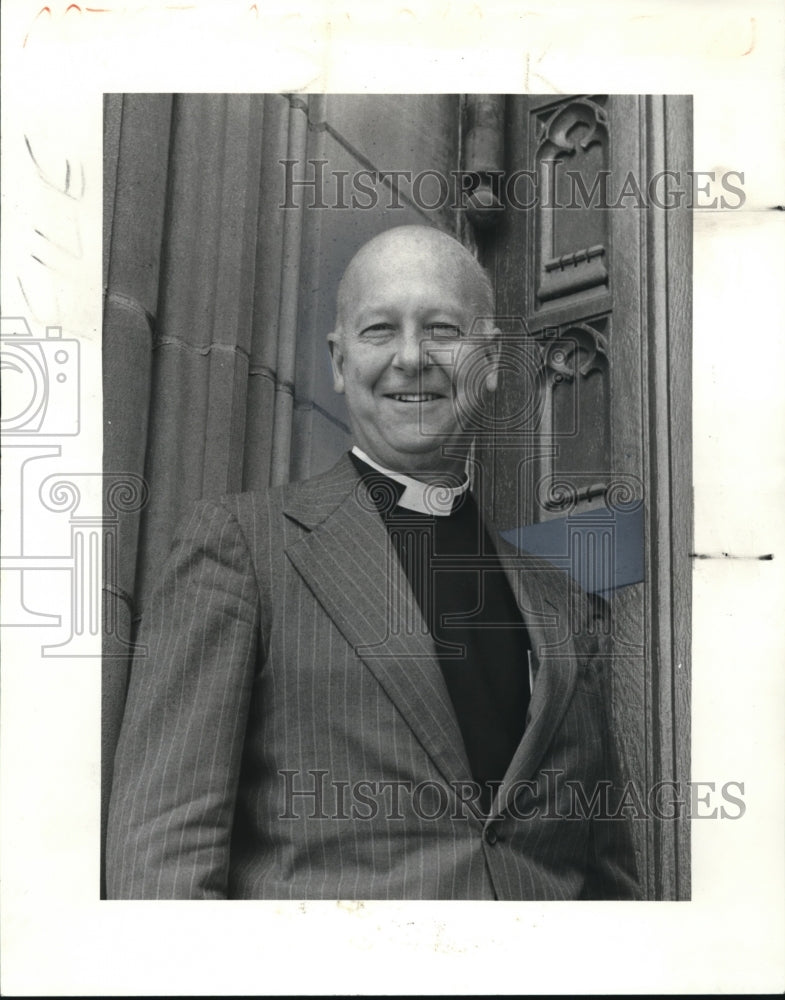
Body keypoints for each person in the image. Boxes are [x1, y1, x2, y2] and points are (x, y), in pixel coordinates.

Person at [106, 225, 640, 900]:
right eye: (379, 330)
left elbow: (610, 885)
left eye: (442, 329)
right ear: (338, 361)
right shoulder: (241, 550)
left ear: (492, 358)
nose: (411, 357)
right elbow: (163, 858)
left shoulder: (564, 605)